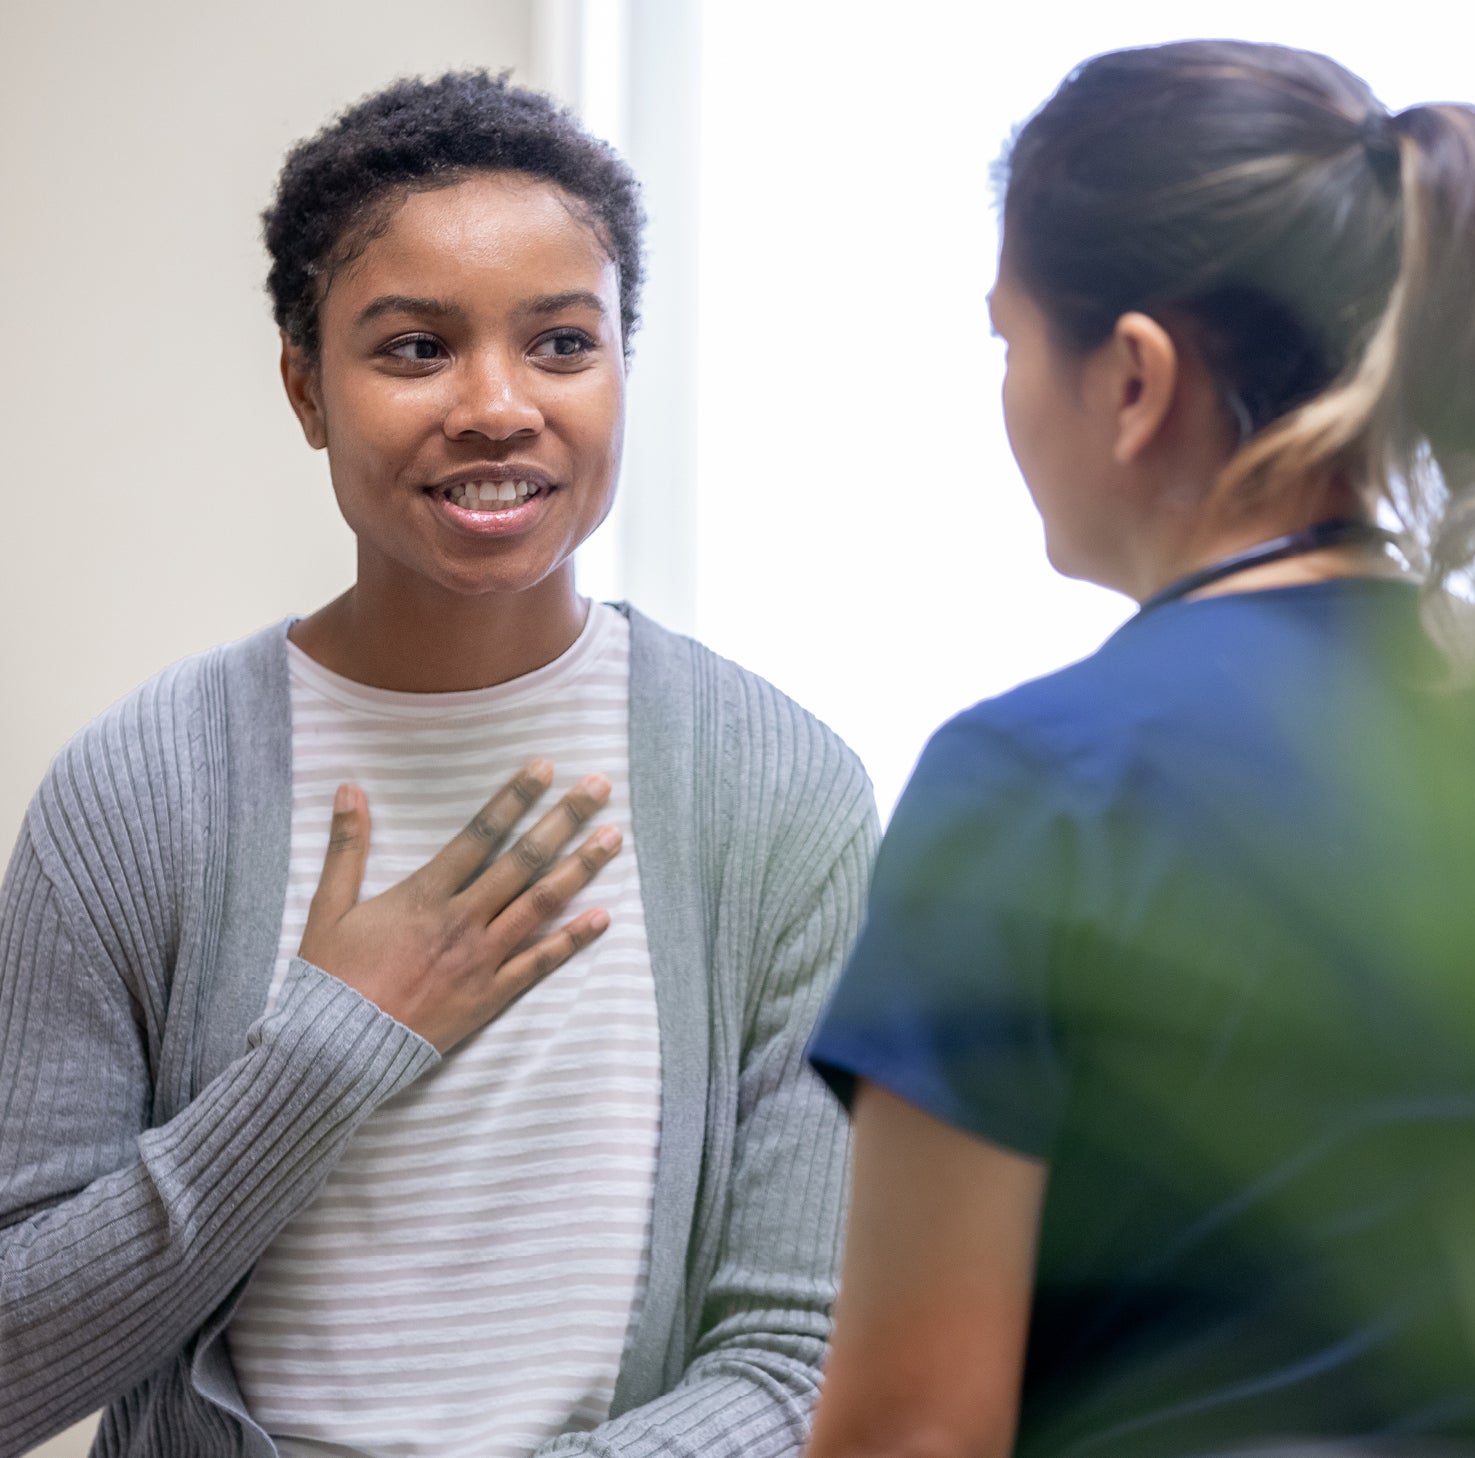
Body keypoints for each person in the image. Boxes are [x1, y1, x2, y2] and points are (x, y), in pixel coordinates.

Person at [805, 40, 1475, 1458]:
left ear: (1131, 376)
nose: (1003, 396)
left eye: (1007, 343)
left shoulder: (1035, 786)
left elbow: (911, 1436)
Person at [0, 72, 875, 1458]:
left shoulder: (779, 793)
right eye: (414, 348)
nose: (495, 406)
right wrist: (327, 1049)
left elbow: (802, 1364)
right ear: (306, 387)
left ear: (622, 371)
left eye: (562, 343)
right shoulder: (138, 795)